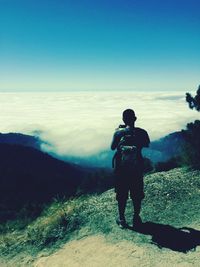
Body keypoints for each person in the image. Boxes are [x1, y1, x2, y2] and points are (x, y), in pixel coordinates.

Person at [111, 109, 150, 228]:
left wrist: (120, 132)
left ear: (123, 119)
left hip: (121, 170)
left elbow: (112, 147)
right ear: (135, 119)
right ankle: (136, 218)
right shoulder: (142, 132)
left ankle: (122, 219)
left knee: (121, 194)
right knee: (137, 194)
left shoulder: (118, 133)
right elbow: (147, 144)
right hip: (136, 168)